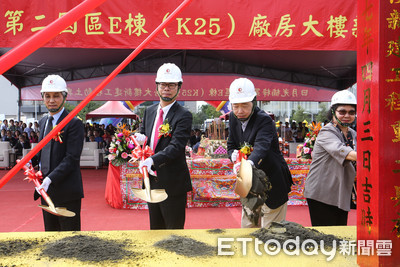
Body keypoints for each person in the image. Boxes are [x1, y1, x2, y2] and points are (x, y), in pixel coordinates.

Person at [227, 78, 293, 228]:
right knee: (248, 228)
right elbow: (231, 143)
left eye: (245, 105)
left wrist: (247, 165)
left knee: (271, 233)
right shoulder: (233, 117)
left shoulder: (264, 120)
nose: (240, 111)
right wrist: (233, 156)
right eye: (235, 106)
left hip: (272, 180)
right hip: (250, 186)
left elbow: (261, 147)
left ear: (254, 102)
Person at [135, 63, 192, 230]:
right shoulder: (149, 111)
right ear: (157, 86)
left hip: (172, 183)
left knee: (173, 233)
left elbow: (176, 146)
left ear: (178, 87)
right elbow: (146, 139)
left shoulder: (184, 115)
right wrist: (139, 141)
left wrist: (152, 160)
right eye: (163, 85)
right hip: (151, 181)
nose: (167, 88)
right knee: (155, 229)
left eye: (171, 85)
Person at [34, 74, 85, 231]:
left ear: (65, 97)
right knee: (50, 236)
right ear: (42, 97)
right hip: (46, 190)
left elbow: (71, 158)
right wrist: (29, 163)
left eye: (56, 96)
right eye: (47, 96)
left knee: (70, 239)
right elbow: (42, 151)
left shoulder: (74, 123)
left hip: (67, 190)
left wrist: (50, 179)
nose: (51, 100)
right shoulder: (43, 122)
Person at [304, 90, 357, 226]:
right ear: (333, 112)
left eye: (351, 112)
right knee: (325, 239)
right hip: (321, 193)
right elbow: (347, 153)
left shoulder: (352, 133)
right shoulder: (327, 131)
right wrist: (375, 155)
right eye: (342, 111)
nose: (347, 115)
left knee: (339, 235)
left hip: (340, 192)